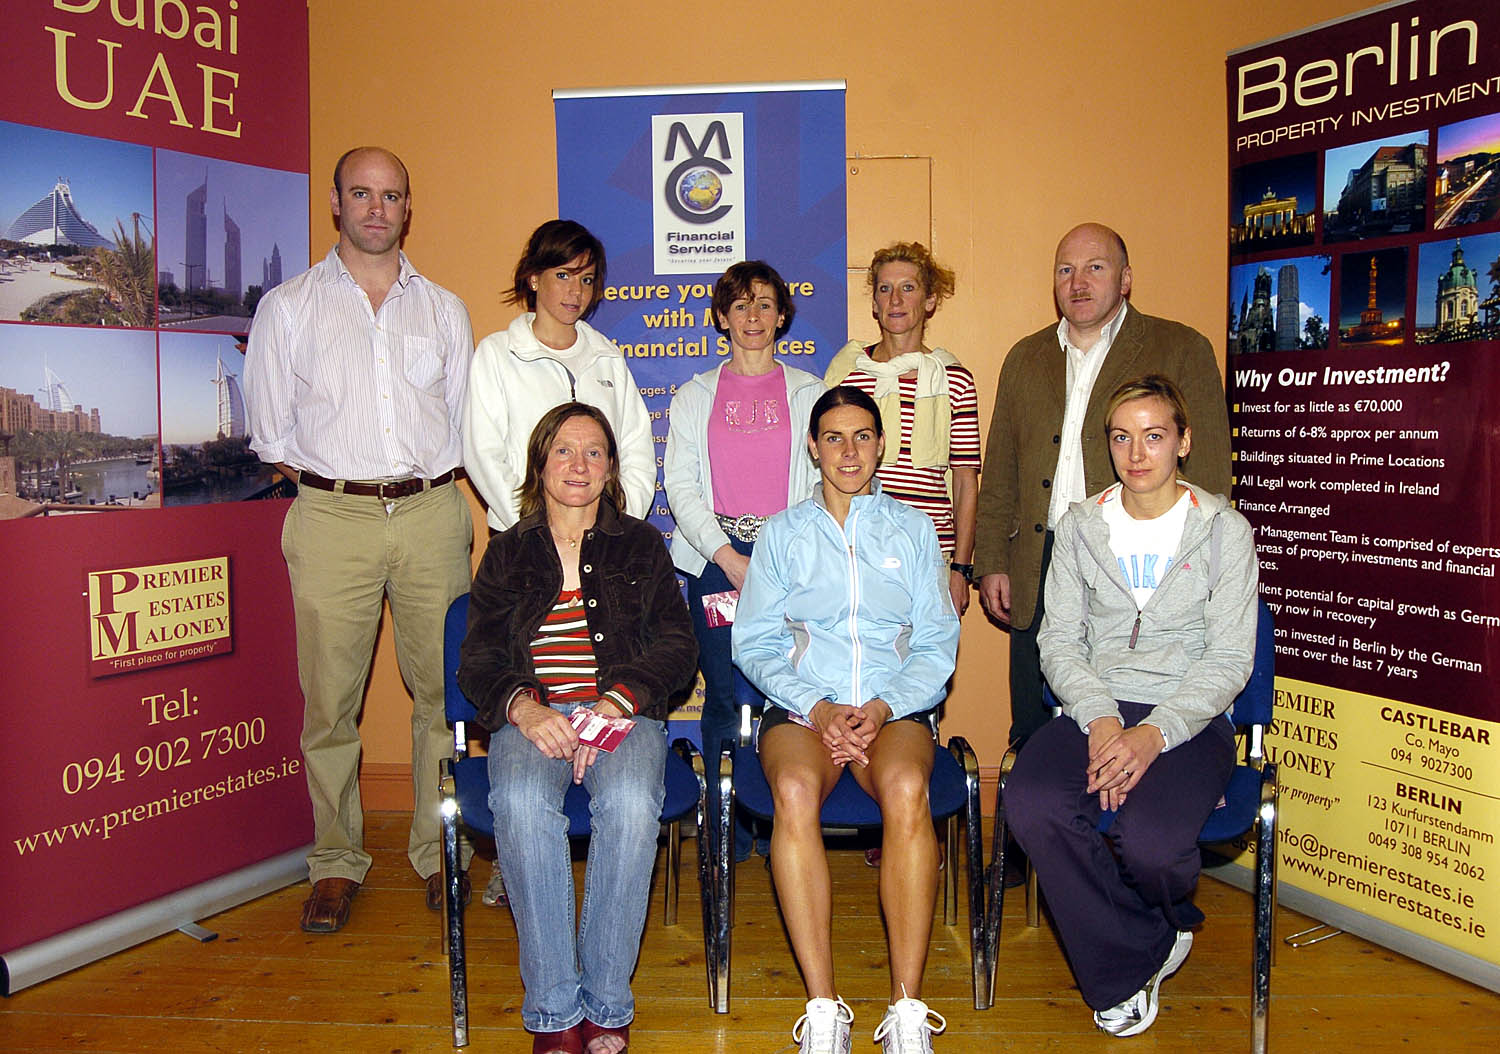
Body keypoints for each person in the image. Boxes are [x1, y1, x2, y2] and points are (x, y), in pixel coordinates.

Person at [243, 146, 474, 932]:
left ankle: (439, 850)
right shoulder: (289, 307)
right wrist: (345, 485)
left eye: (393, 195)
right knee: (329, 703)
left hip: (432, 512)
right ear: (335, 204)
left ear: (410, 208)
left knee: (444, 696)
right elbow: (271, 432)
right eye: (362, 193)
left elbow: (462, 425)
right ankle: (336, 860)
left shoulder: (443, 309)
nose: (377, 208)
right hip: (330, 515)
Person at [1003, 375, 1257, 1038]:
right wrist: (1101, 716)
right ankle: (1132, 957)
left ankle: (1162, 914)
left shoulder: (1224, 530)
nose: (1136, 452)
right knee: (1030, 802)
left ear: (1183, 441)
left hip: (1190, 715)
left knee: (1149, 844)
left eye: (1153, 435)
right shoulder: (1081, 525)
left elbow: (1230, 659)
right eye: (1122, 437)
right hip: (1096, 706)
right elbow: (1057, 640)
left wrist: (1155, 735)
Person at [458, 403, 697, 1054]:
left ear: (612, 469)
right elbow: (478, 657)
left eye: (595, 452)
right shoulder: (509, 552)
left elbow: (678, 643)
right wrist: (524, 708)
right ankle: (555, 1011)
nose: (579, 464)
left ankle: (608, 1002)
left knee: (627, 803)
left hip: (623, 713)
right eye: (564, 450)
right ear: (540, 462)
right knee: (520, 802)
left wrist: (618, 701)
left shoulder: (642, 545)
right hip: (532, 718)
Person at [733, 386, 960, 1054]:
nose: (849, 451)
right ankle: (824, 1007)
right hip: (806, 709)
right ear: (812, 447)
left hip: (894, 709)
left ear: (882, 444)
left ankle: (906, 1008)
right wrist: (820, 706)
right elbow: (755, 643)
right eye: (834, 437)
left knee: (909, 791)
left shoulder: (914, 530)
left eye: (863, 436)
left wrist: (884, 705)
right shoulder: (781, 533)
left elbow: (936, 643)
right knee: (795, 792)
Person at [974, 223, 1232, 752]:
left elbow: (1210, 472)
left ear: (1126, 278)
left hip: (1141, 560)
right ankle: (1037, 825)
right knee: (1036, 728)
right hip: (1038, 559)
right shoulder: (1025, 357)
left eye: (1096, 267)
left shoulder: (1180, 347)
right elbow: (999, 470)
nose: (1079, 282)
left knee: (1131, 707)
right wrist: (993, 559)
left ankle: (1136, 819)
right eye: (1065, 270)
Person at [663, 260, 824, 863]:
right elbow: (680, 487)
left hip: (790, 563)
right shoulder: (693, 395)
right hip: (716, 560)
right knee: (726, 695)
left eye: (764, 304)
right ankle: (724, 829)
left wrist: (777, 560)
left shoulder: (810, 392)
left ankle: (780, 820)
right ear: (720, 319)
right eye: (739, 305)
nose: (752, 317)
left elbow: (821, 483)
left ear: (782, 316)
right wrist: (728, 557)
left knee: (784, 693)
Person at [464, 220, 655, 533]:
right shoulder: (498, 353)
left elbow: (636, 450)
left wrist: (615, 528)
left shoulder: (607, 358)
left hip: (602, 543)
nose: (575, 291)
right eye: (563, 275)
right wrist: (536, 529)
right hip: (524, 537)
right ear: (534, 278)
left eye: (587, 279)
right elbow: (483, 454)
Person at [825, 242, 980, 617]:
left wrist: (959, 569)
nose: (895, 299)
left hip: (929, 554)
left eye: (908, 288)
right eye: (884, 289)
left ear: (929, 301)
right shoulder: (847, 375)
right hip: (857, 552)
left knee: (926, 670)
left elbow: (965, 480)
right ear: (874, 304)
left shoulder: (954, 380)